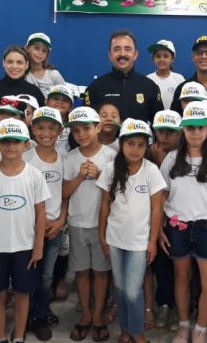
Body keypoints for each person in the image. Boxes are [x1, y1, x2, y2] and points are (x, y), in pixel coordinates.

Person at [159, 101, 207, 343]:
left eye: (200, 127)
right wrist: (159, 228)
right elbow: (162, 196)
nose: (195, 132)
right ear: (183, 129)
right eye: (190, 127)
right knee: (181, 277)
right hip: (177, 226)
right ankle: (183, 326)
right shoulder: (171, 159)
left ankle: (200, 328)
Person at [0, 118, 50, 343]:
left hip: (25, 248)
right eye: (5, 141)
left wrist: (38, 246)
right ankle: (1, 337)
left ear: (26, 144)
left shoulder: (34, 175)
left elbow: (41, 212)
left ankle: (19, 337)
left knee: (23, 294)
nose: (10, 146)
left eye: (16, 141)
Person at [97, 118, 167, 343]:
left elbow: (157, 209)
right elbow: (105, 204)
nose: (135, 149)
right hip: (115, 238)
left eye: (141, 144)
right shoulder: (110, 169)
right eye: (130, 143)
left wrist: (152, 241)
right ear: (121, 144)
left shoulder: (151, 171)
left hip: (140, 241)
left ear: (147, 146)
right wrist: (102, 235)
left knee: (132, 290)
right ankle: (125, 330)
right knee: (119, 287)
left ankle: (137, 332)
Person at [62, 107, 117, 342]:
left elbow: (119, 190)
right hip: (77, 223)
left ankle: (97, 316)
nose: (81, 134)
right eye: (76, 130)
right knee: (82, 272)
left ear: (98, 127)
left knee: (101, 273)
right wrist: (80, 177)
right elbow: (64, 192)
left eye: (86, 128)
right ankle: (85, 314)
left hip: (103, 225)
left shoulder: (111, 156)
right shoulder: (69, 157)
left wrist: (100, 174)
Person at [25, 107, 69, 341]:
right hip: (27, 230)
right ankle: (24, 316)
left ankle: (40, 316)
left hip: (53, 229)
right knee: (26, 275)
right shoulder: (25, 159)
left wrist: (60, 221)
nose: (46, 133)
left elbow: (65, 195)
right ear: (33, 130)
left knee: (46, 276)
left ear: (60, 131)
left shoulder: (64, 160)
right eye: (40, 127)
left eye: (52, 128)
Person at [147, 110, 181, 331]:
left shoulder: (187, 153)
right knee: (161, 266)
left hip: (180, 219)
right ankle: (164, 304)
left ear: (180, 133)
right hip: (153, 219)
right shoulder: (146, 152)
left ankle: (181, 307)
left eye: (171, 132)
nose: (166, 136)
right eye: (161, 131)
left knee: (182, 267)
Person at [84, 29, 164, 122]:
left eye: (128, 49)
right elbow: (86, 124)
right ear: (110, 55)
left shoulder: (150, 87)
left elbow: (159, 125)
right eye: (117, 49)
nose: (122, 54)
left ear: (135, 54)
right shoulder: (95, 87)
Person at [0, 45, 45, 142]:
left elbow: (43, 124)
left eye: (19, 62)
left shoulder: (35, 92)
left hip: (26, 146)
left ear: (27, 65)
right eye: (10, 62)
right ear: (3, 63)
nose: (14, 66)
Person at [147, 39, 186, 111]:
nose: (162, 59)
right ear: (153, 59)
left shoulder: (179, 79)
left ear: (172, 58)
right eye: (158, 56)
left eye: (166, 56)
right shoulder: (148, 79)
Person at [47, 84, 76, 153]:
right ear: (46, 102)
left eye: (65, 100)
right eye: (56, 98)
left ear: (71, 107)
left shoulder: (75, 127)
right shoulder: (37, 123)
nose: (60, 102)